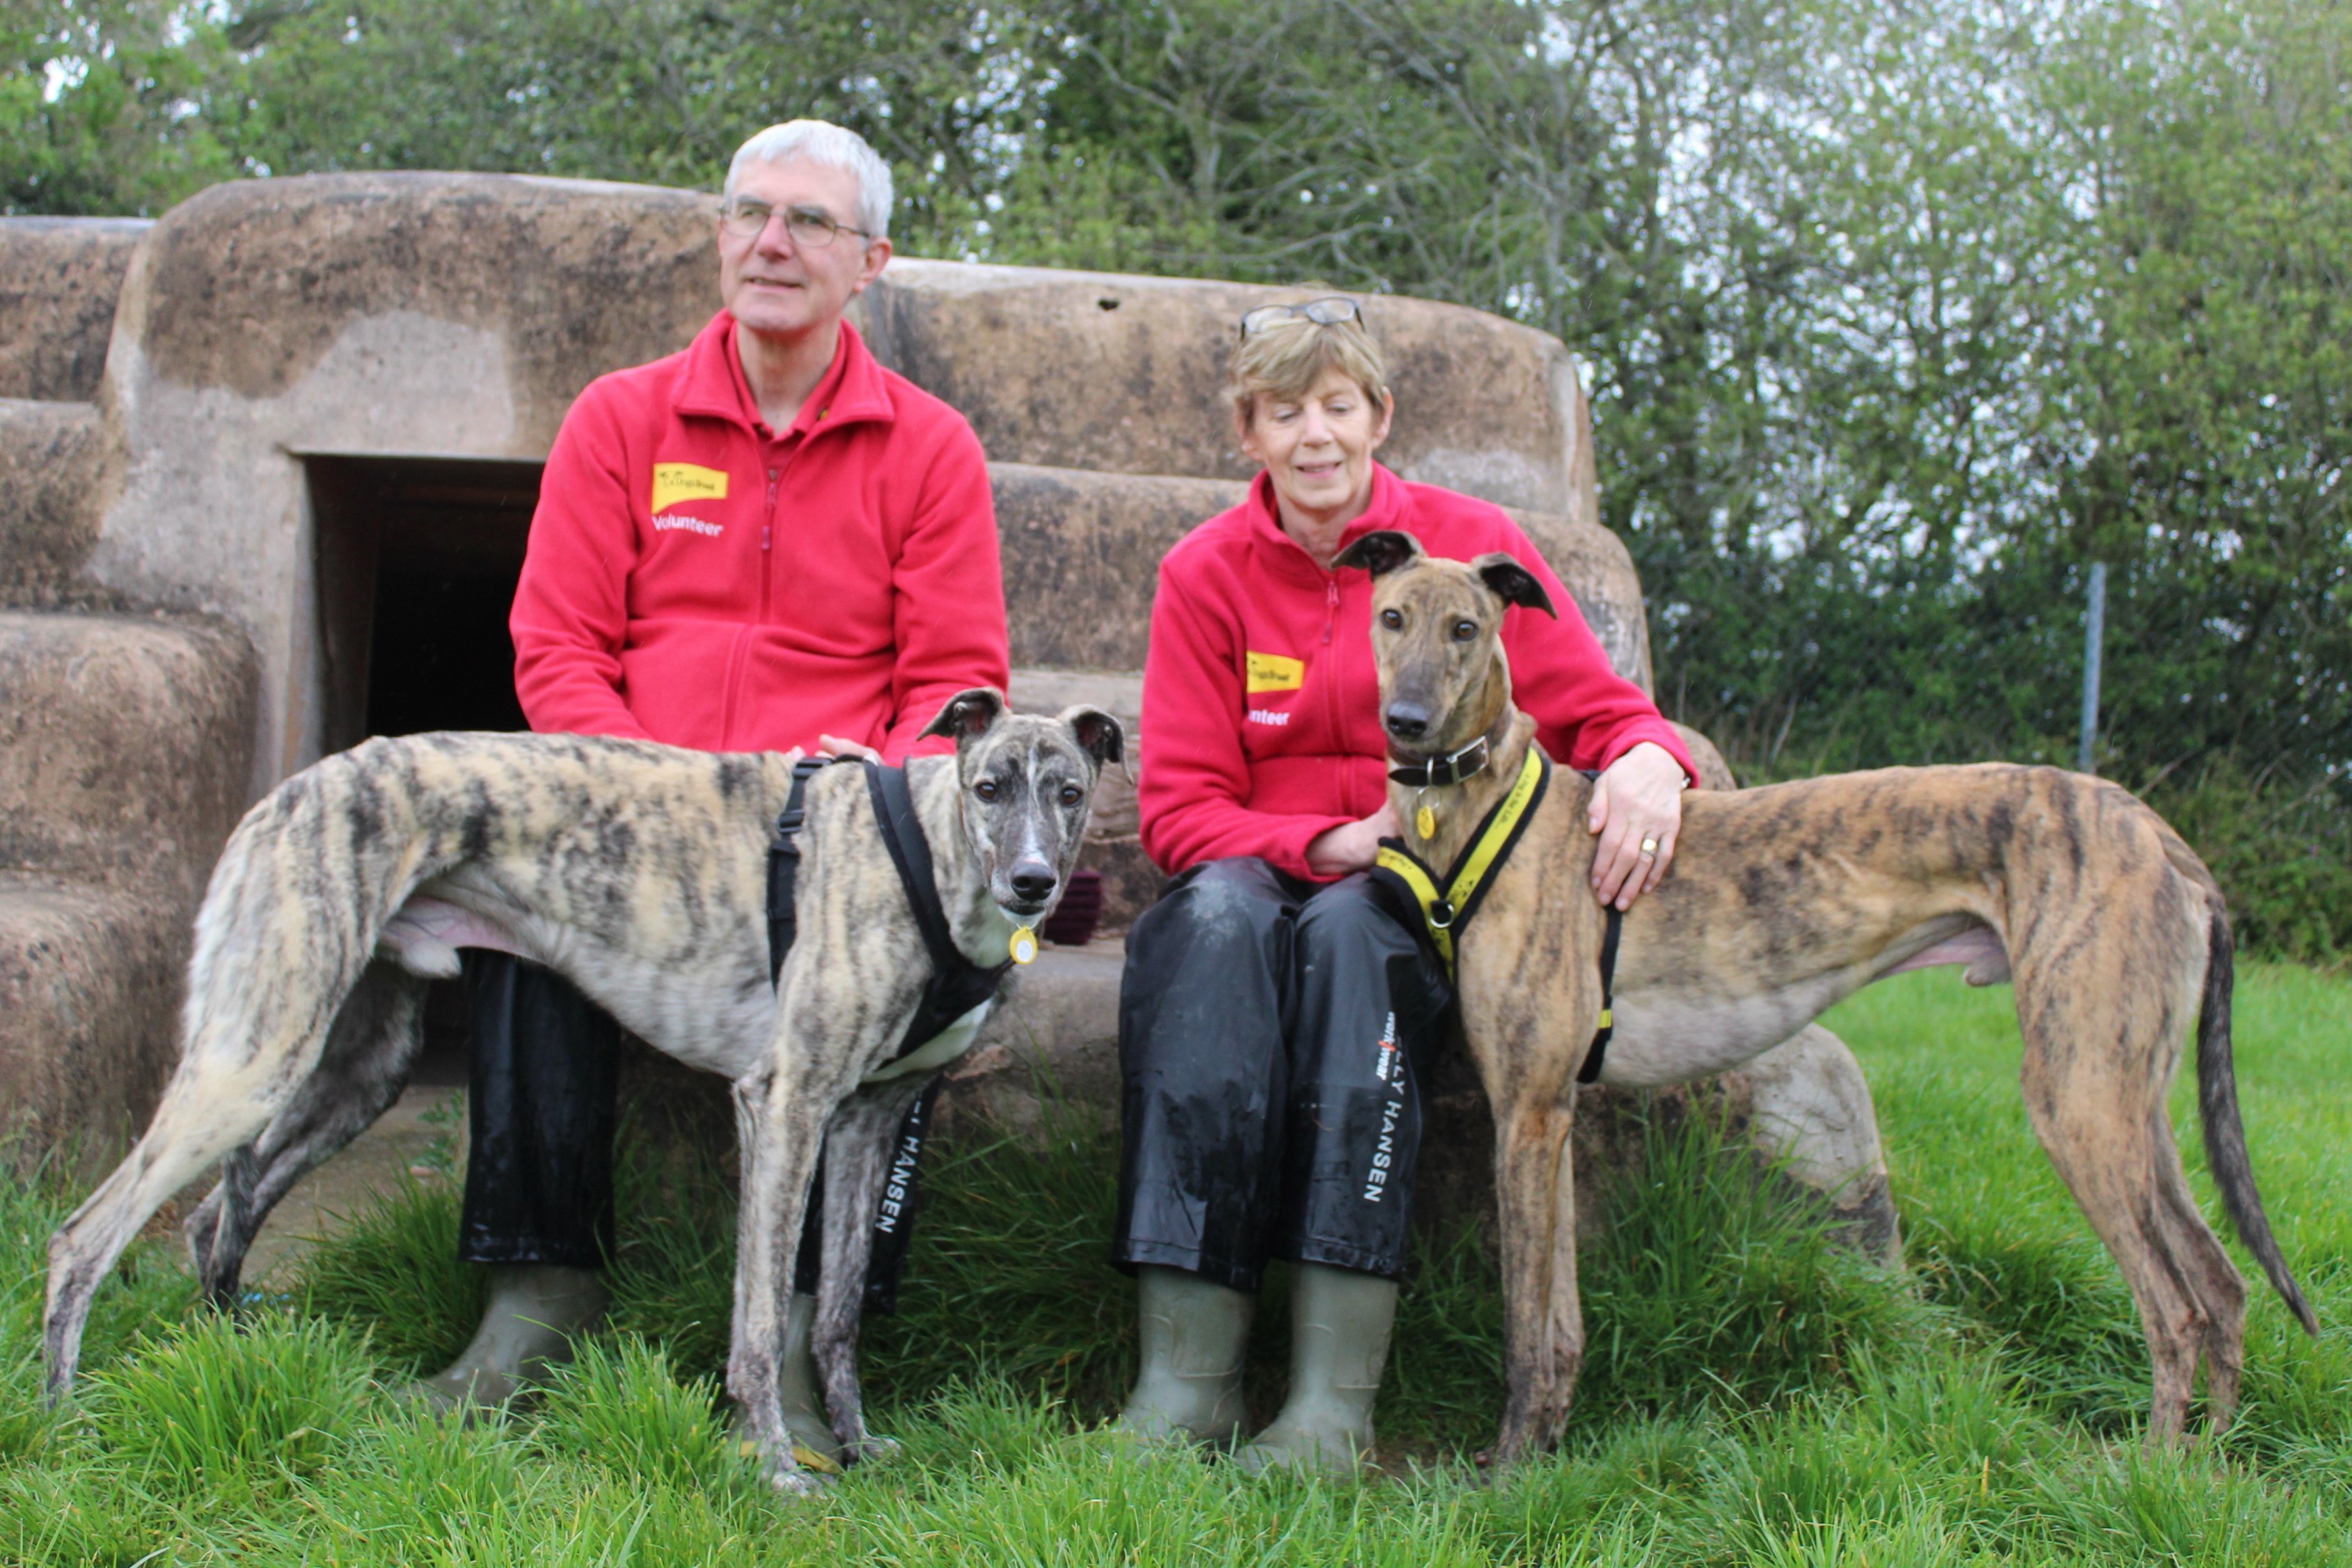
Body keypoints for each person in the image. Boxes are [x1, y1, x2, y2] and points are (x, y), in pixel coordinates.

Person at [412, 120, 1010, 1460]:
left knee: (878, 980)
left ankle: (805, 1344)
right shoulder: (622, 416)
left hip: (831, 839)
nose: (773, 241)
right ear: (720, 234)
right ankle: (535, 1292)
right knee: (510, 901)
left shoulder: (930, 449)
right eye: (751, 213)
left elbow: (956, 686)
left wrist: (879, 792)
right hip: (644, 804)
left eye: (808, 222)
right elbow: (555, 644)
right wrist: (633, 787)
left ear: (872, 262)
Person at [1112, 297, 1697, 1475]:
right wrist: (1333, 837)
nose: (1315, 435)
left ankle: (1333, 1399)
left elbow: (1604, 706)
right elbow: (1176, 810)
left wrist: (1650, 760)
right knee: (1215, 923)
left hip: (1416, 887)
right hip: (1281, 860)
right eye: (1286, 411)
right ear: (1249, 431)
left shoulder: (1469, 547)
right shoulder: (1206, 573)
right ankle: (1188, 1378)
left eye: (1338, 405)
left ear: (1381, 415)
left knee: (1350, 937)